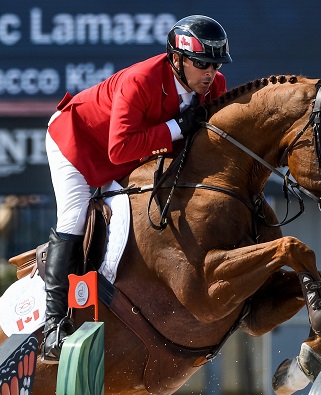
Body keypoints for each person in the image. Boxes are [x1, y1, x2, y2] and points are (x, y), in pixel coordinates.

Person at [41, 15, 232, 361]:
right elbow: (118, 148)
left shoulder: (213, 88)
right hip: (76, 141)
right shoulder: (141, 80)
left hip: (127, 154)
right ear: (177, 59)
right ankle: (53, 324)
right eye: (202, 63)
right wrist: (177, 126)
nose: (210, 73)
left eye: (215, 64)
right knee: (73, 214)